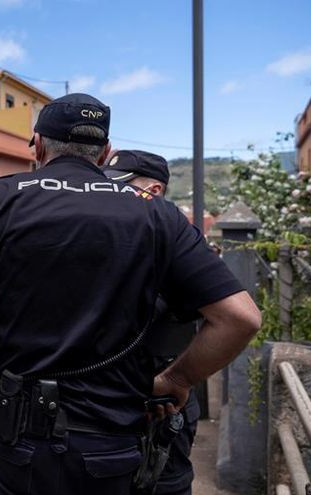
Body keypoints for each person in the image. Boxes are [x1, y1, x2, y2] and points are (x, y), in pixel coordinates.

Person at [0, 93, 261, 494]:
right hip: (110, 448)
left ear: (37, 144)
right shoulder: (156, 213)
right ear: (106, 152)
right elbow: (240, 317)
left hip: (12, 446)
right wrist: (179, 377)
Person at [103, 149, 200, 495]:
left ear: (154, 192)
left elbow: (229, 315)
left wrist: (174, 378)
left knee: (163, 484)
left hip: (159, 400)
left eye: (123, 186)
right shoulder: (121, 235)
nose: (113, 194)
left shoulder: (177, 241)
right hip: (111, 401)